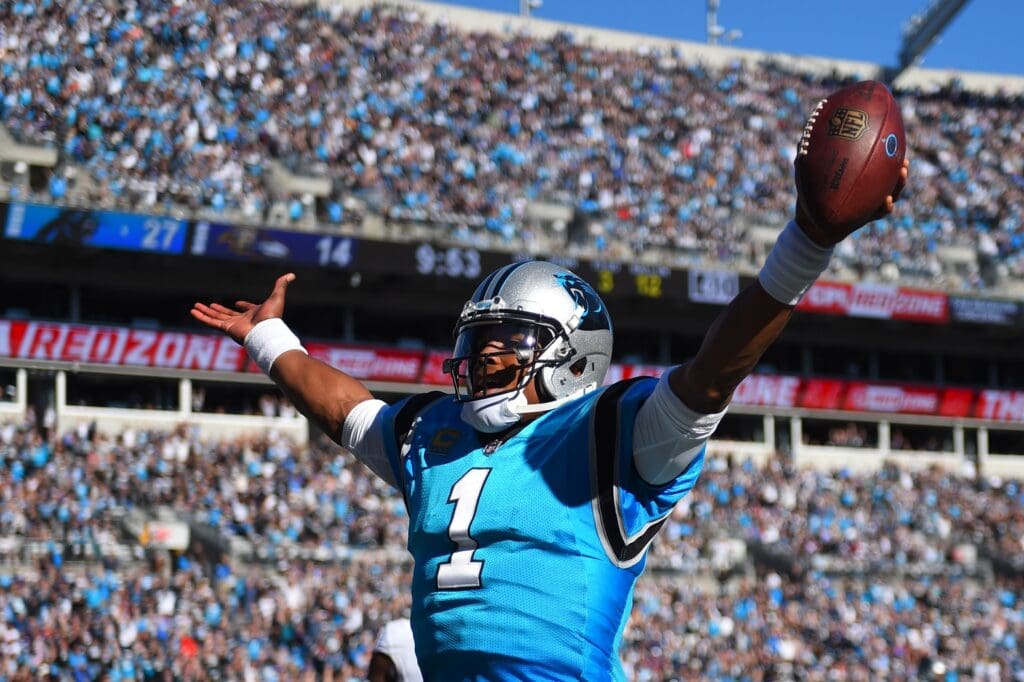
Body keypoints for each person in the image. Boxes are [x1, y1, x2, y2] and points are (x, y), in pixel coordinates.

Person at [192, 154, 908, 678]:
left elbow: (711, 374)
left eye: (502, 348)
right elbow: (346, 409)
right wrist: (269, 340)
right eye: (474, 345)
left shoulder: (610, 434)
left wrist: (804, 246)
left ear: (569, 358)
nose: (477, 363)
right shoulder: (436, 437)